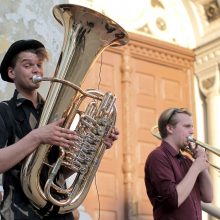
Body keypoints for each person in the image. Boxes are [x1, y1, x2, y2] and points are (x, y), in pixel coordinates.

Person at [0, 39, 119, 220]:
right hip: (20, 212)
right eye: (27, 65)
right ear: (11, 72)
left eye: (39, 65)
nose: (36, 70)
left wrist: (93, 146)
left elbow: (60, 172)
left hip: (59, 211)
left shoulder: (57, 112)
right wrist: (37, 136)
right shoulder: (4, 111)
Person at [145, 108, 213, 220]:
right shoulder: (158, 157)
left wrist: (202, 164)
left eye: (192, 126)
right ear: (170, 128)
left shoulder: (187, 160)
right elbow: (173, 200)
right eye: (187, 126)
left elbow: (208, 197)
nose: (192, 131)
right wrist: (196, 167)